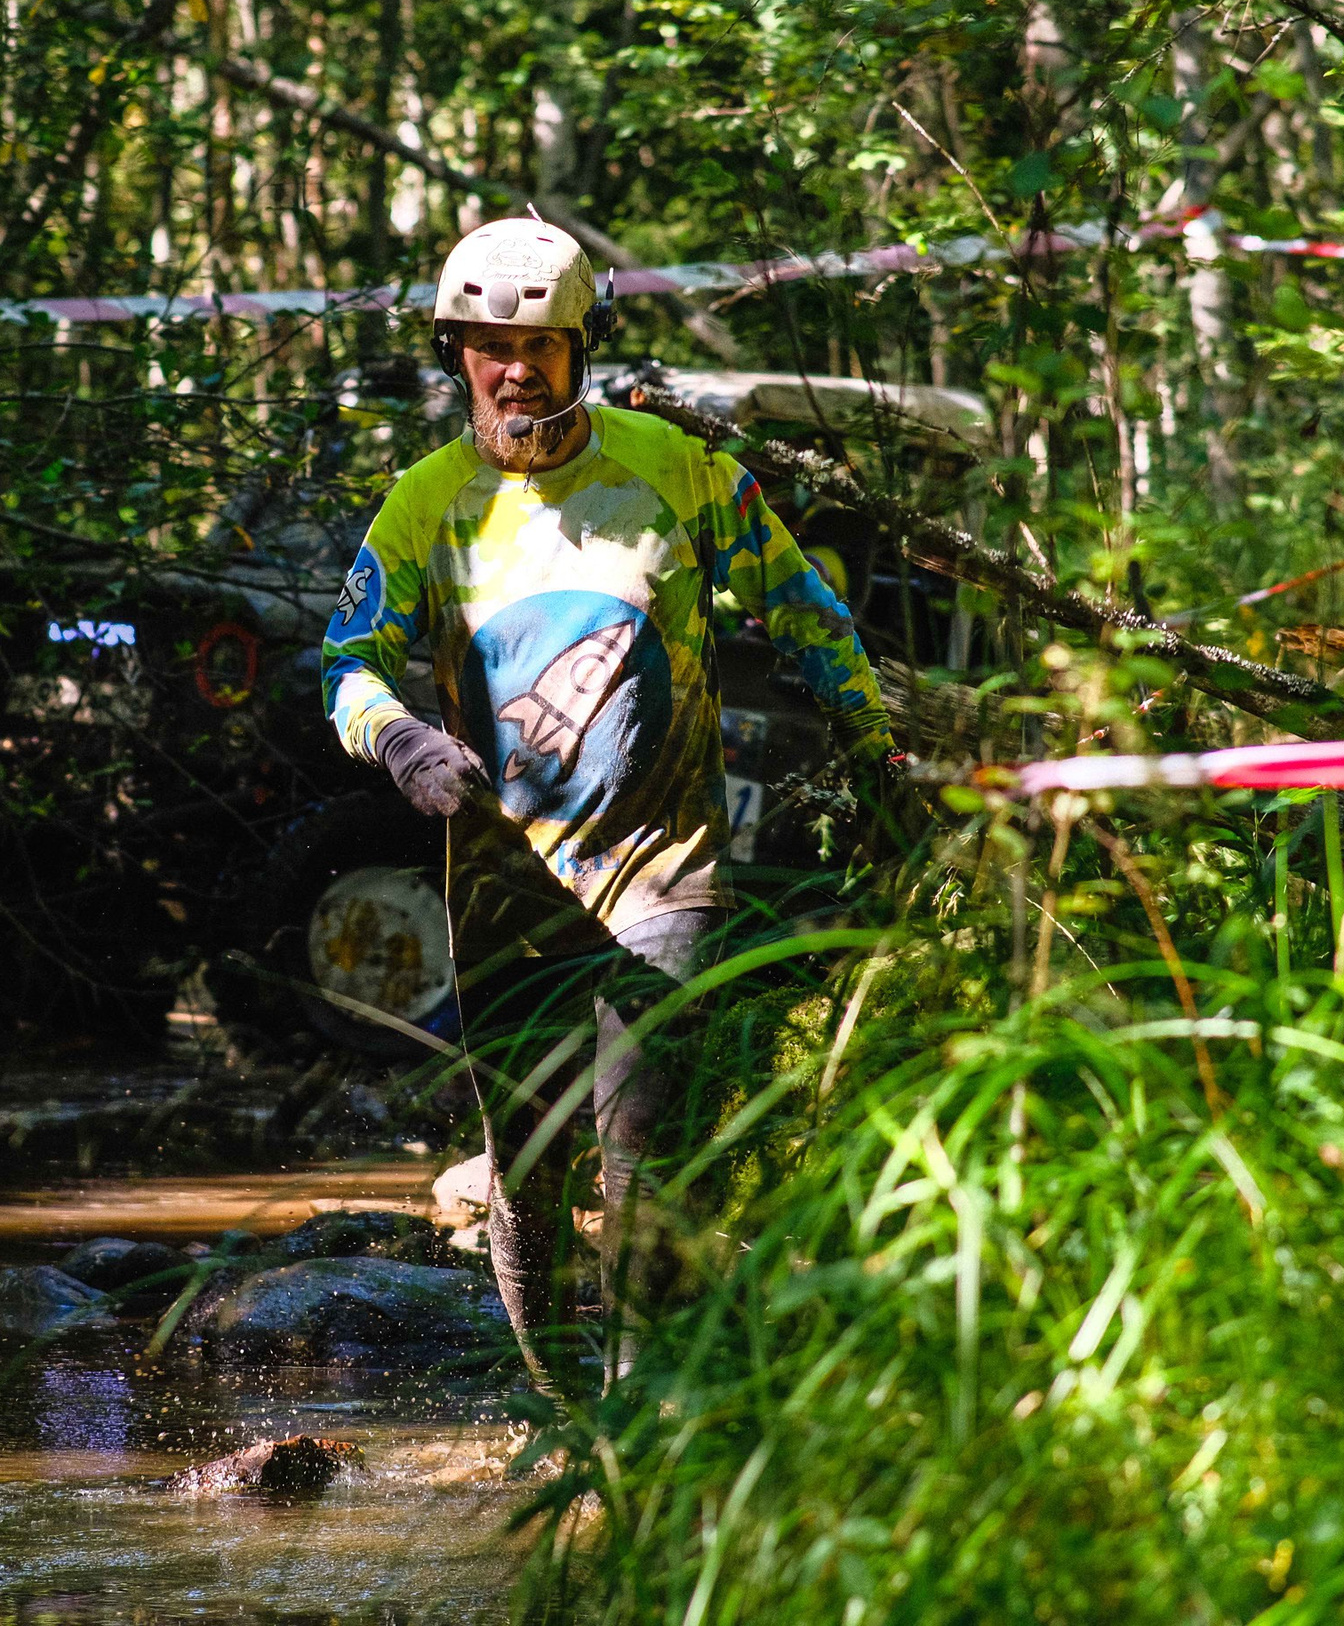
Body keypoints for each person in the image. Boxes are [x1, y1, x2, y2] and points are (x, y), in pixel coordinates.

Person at [319, 215, 906, 1382]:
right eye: (490, 347)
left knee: (642, 1157)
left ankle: (643, 1428)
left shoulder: (678, 470)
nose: (516, 370)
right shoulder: (423, 505)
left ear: (581, 348)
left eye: (540, 345)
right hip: (503, 890)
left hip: (661, 872)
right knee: (526, 1174)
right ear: (455, 355)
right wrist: (401, 742)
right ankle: (556, 1415)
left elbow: (807, 610)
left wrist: (874, 756)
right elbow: (346, 663)